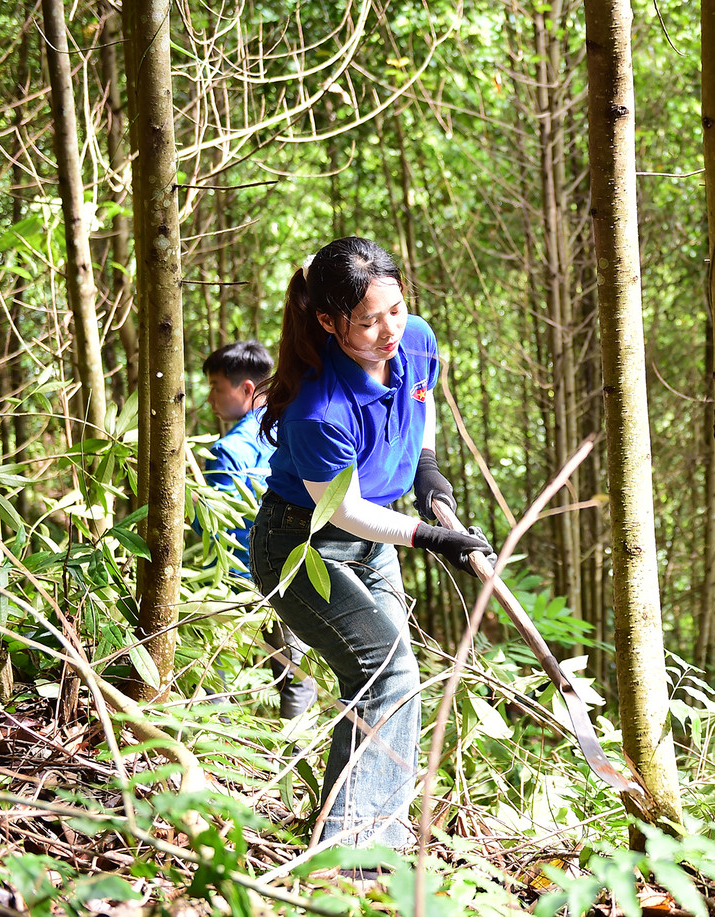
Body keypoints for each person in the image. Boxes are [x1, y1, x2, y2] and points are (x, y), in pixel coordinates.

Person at [251, 236, 494, 852]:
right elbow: (348, 510)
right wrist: (431, 535)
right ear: (329, 322)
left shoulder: (414, 338)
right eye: (367, 321)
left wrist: (428, 465)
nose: (389, 330)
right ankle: (351, 856)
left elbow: (422, 396)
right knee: (383, 667)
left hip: (371, 541)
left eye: (396, 308)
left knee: (394, 682)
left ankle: (369, 839)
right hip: (300, 545)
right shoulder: (316, 409)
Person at [200, 341, 316, 719]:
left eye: (217, 387)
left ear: (247, 389)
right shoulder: (299, 427)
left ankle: (211, 749)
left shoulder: (230, 449)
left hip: (239, 575)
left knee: (213, 666)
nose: (211, 398)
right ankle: (295, 758)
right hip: (297, 567)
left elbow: (217, 523)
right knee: (295, 672)